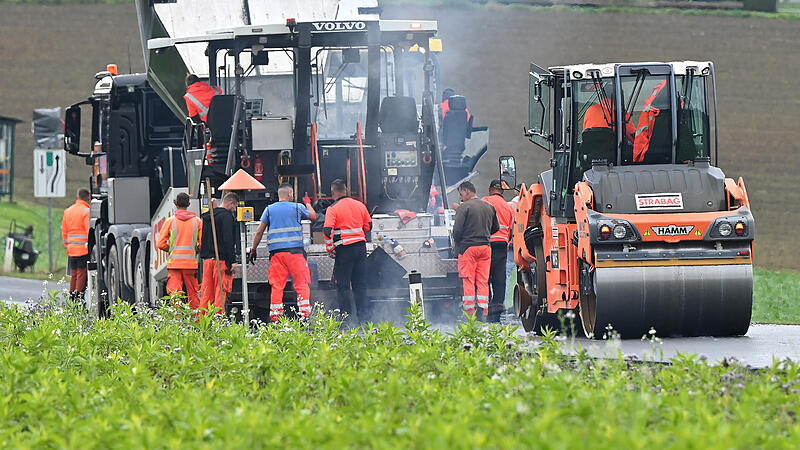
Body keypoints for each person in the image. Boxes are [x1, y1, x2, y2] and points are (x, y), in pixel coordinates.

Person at [250, 184, 317, 322]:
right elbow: (313, 217)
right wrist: (308, 203)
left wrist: (253, 249)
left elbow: (259, 231)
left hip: (277, 255)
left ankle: (276, 319)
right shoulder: (298, 207)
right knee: (302, 284)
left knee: (277, 286)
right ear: (290, 194)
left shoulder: (269, 209)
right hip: (295, 254)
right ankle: (305, 316)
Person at [323, 179, 372, 322]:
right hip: (360, 248)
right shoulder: (360, 205)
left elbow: (327, 231)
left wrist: (330, 248)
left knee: (343, 286)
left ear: (333, 193)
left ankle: (347, 320)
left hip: (344, 251)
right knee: (360, 284)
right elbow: (368, 226)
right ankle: (364, 319)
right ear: (346, 191)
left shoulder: (333, 208)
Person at [452, 181, 499, 316]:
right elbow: (496, 227)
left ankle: (470, 312)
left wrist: (459, 243)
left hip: (468, 248)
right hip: (485, 248)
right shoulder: (489, 206)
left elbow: (457, 231)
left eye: (461, 194)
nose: (461, 198)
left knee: (468, 280)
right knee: (483, 280)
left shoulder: (464, 207)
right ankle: (483, 311)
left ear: (466, 191)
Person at [157, 192, 202, 309]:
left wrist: (172, 250)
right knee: (193, 293)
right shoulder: (197, 222)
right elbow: (202, 244)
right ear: (189, 204)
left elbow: (160, 244)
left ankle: (178, 322)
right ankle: (196, 321)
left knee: (175, 294)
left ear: (175, 204)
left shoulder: (170, 221)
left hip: (175, 264)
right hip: (190, 265)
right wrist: (195, 250)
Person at [199, 193, 239, 315]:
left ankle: (203, 321)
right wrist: (232, 260)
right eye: (235, 206)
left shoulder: (208, 217)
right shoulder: (226, 217)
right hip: (220, 261)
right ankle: (219, 320)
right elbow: (228, 240)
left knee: (206, 292)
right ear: (231, 203)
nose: (235, 210)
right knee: (220, 292)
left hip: (207, 261)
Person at [481, 180, 515, 323]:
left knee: (485, 277)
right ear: (502, 191)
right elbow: (511, 227)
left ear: (490, 189)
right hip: (502, 245)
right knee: (499, 277)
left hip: (488, 243)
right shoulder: (509, 207)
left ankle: (487, 309)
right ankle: (497, 311)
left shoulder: (484, 201)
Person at [62, 188, 91, 303]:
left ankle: (72, 296)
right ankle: (79, 298)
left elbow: (64, 231)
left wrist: (67, 246)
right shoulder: (86, 211)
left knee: (74, 274)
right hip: (82, 249)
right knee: (81, 274)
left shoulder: (68, 211)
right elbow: (88, 231)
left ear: (77, 197)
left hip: (71, 249)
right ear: (88, 198)